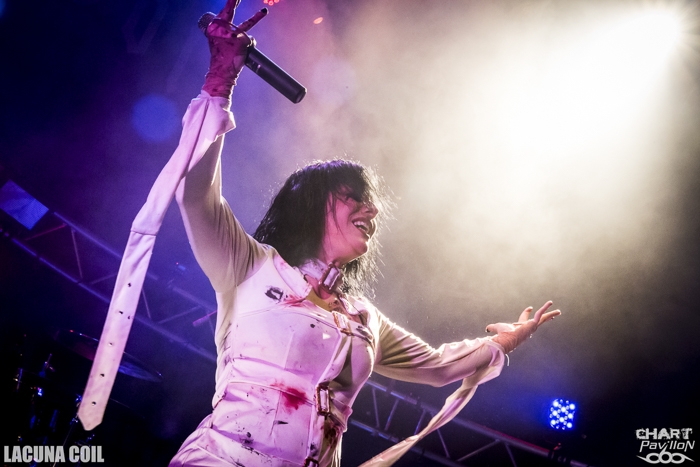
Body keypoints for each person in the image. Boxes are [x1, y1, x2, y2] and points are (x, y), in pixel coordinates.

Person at [165, 1, 561, 466]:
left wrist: (501, 343)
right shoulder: (251, 267)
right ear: (312, 206)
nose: (371, 210)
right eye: (353, 197)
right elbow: (196, 194)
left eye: (370, 202)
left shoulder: (364, 318)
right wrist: (219, 85)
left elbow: (438, 367)